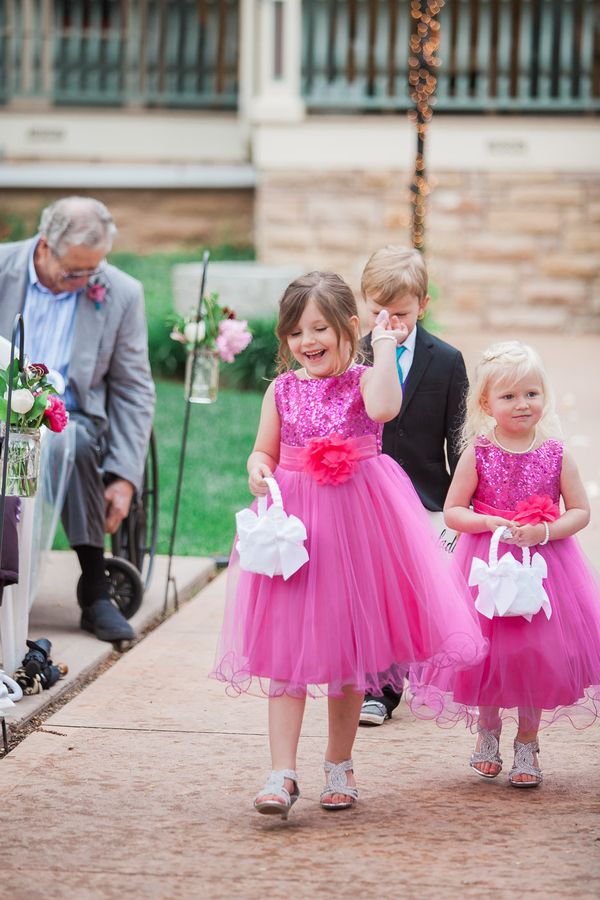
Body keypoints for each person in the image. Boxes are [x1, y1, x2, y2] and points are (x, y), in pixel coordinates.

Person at [211, 271, 485, 819]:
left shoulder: (365, 381)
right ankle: (281, 772)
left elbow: (385, 408)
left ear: (348, 329)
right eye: (295, 332)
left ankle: (339, 761)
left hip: (354, 532)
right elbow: (261, 452)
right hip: (295, 536)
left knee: (346, 658)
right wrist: (258, 470)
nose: (307, 342)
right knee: (285, 654)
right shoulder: (281, 389)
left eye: (320, 329)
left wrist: (383, 347)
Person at [441, 340, 600, 786]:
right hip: (487, 563)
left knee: (534, 652)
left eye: (531, 393)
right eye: (508, 396)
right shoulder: (480, 451)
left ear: (543, 396)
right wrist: (486, 521)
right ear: (486, 403)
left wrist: (545, 531)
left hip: (545, 566)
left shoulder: (555, 452)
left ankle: (527, 741)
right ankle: (487, 731)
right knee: (489, 652)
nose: (522, 404)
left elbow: (580, 511)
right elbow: (454, 509)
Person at [0, 197, 155, 644]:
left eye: (95, 270)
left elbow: (133, 388)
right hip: (0, 410)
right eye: (75, 272)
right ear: (45, 245)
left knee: (74, 442)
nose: (86, 282)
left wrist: (125, 476)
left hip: (73, 420)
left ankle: (95, 586)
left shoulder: (122, 292)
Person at [358, 246, 469, 726]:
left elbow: (459, 441)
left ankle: (405, 676)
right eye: (377, 311)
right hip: (365, 494)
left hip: (426, 498)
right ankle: (377, 689)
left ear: (422, 305)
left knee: (411, 594)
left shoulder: (446, 361)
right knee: (371, 590)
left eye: (400, 312)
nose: (389, 321)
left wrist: (464, 505)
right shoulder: (354, 355)